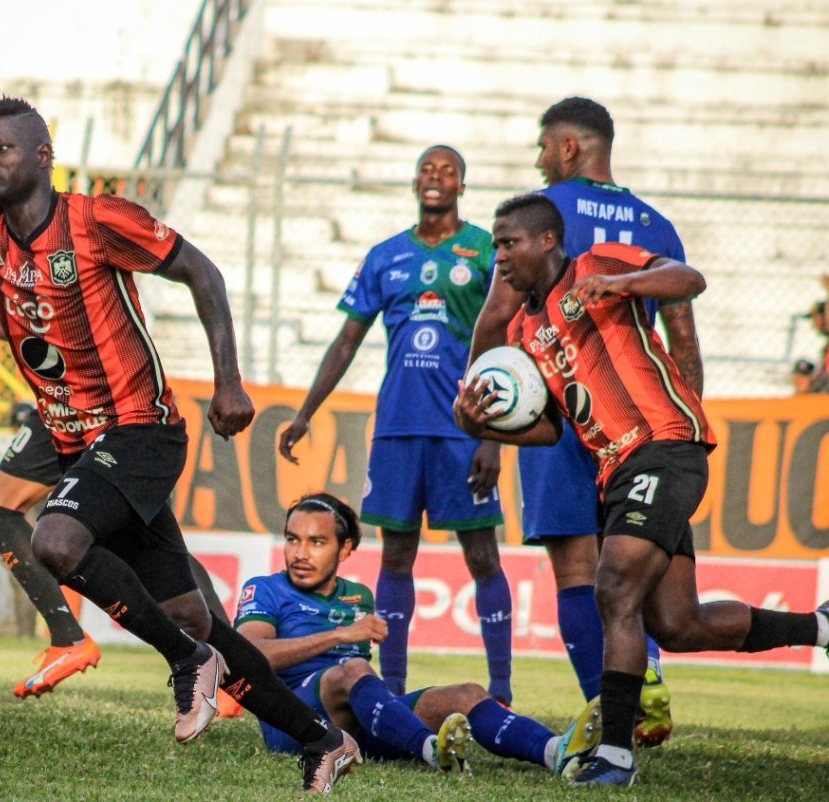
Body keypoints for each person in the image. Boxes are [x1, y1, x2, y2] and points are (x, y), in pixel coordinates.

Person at [0, 5, 358, 792]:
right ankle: (321, 740)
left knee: (56, 543)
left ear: (44, 157)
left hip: (140, 428)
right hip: (80, 440)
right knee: (193, 612)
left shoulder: (98, 219)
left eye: (2, 149)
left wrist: (228, 381)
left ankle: (190, 666)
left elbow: (202, 272)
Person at [454, 193, 829, 787]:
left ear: (547, 240)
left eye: (509, 243)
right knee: (678, 624)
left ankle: (615, 755)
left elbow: (689, 279)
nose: (498, 255)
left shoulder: (598, 263)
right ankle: (822, 628)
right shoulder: (526, 330)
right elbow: (551, 427)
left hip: (665, 444)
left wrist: (626, 285)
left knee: (614, 586)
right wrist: (481, 423)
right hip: (618, 469)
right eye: (496, 245)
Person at [467, 97, 701, 746]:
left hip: (561, 412)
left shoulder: (540, 218)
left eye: (544, 147)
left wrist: (487, 428)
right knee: (631, 578)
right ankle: (642, 684)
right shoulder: (656, 224)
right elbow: (683, 338)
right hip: (646, 424)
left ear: (569, 147)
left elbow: (495, 320)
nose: (539, 160)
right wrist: (685, 428)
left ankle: (615, 711)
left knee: (577, 570)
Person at [278, 146, 513, 704]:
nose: (436, 178)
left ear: (463, 184)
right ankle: (396, 685)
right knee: (396, 556)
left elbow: (505, 338)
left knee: (482, 555)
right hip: (398, 430)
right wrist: (306, 412)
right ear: (415, 182)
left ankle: (502, 687)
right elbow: (347, 341)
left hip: (464, 429)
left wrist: (493, 438)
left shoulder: (484, 251)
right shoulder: (385, 256)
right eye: (428, 170)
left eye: (448, 171)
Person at [0, 291, 242, 716]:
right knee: (154, 541)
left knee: (1, 508)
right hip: (84, 405)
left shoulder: (51, 237)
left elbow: (75, 322)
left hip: (83, 404)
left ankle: (69, 637)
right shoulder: (34, 242)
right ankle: (232, 674)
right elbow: (55, 326)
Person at [235, 492, 604, 777]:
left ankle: (554, 751)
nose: (300, 553)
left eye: (316, 542)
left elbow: (360, 688)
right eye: (292, 539)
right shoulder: (265, 589)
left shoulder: (358, 596)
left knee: (466, 694)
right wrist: (339, 635)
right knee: (350, 671)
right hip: (293, 728)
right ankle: (431, 750)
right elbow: (251, 653)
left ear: (345, 549)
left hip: (350, 723)